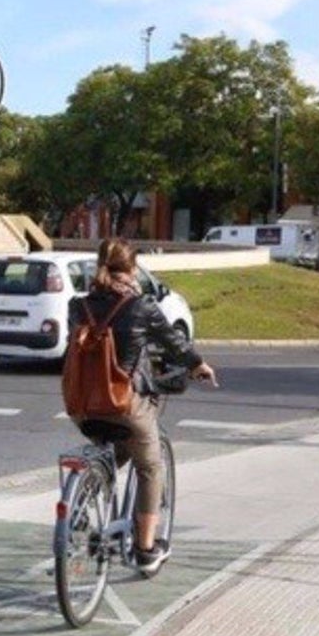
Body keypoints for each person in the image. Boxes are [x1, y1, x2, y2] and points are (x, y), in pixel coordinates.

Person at [68, 238, 216, 575]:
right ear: (132, 269)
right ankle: (146, 548)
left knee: (113, 452)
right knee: (150, 468)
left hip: (83, 405)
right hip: (125, 404)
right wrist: (198, 365)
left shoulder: (78, 307)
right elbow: (173, 342)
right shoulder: (141, 306)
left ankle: (81, 505)